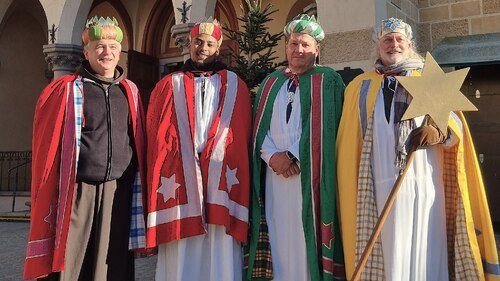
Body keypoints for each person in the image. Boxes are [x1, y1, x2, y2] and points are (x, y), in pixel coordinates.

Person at [337, 17, 500, 280]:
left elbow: (456, 129)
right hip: (378, 185)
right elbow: (348, 144)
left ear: (410, 44)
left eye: (399, 39)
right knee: (388, 249)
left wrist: (437, 132)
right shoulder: (359, 87)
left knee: (428, 242)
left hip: (425, 182)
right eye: (387, 40)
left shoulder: (429, 78)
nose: (394, 44)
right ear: (377, 47)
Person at [24, 16, 147, 281]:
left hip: (119, 189)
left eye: (113, 47)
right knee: (74, 260)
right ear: (86, 52)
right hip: (78, 191)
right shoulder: (66, 89)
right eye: (100, 46)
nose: (107, 52)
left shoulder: (130, 91)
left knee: (112, 261)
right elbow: (48, 146)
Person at [145, 17, 252, 281]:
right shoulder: (168, 84)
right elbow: (156, 133)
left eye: (209, 43)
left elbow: (241, 132)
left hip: (221, 175)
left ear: (218, 48)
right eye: (197, 42)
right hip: (180, 175)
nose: (202, 48)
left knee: (220, 240)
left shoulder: (235, 84)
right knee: (183, 243)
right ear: (189, 45)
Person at [246, 14, 346, 281]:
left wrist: (292, 156)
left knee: (305, 237)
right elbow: (259, 128)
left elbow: (328, 127)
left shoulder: (329, 80)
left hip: (309, 177)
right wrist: (272, 157)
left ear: (317, 49)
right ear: (286, 47)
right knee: (278, 234)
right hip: (274, 177)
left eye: (305, 44)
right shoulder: (270, 82)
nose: (298, 49)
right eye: (293, 44)